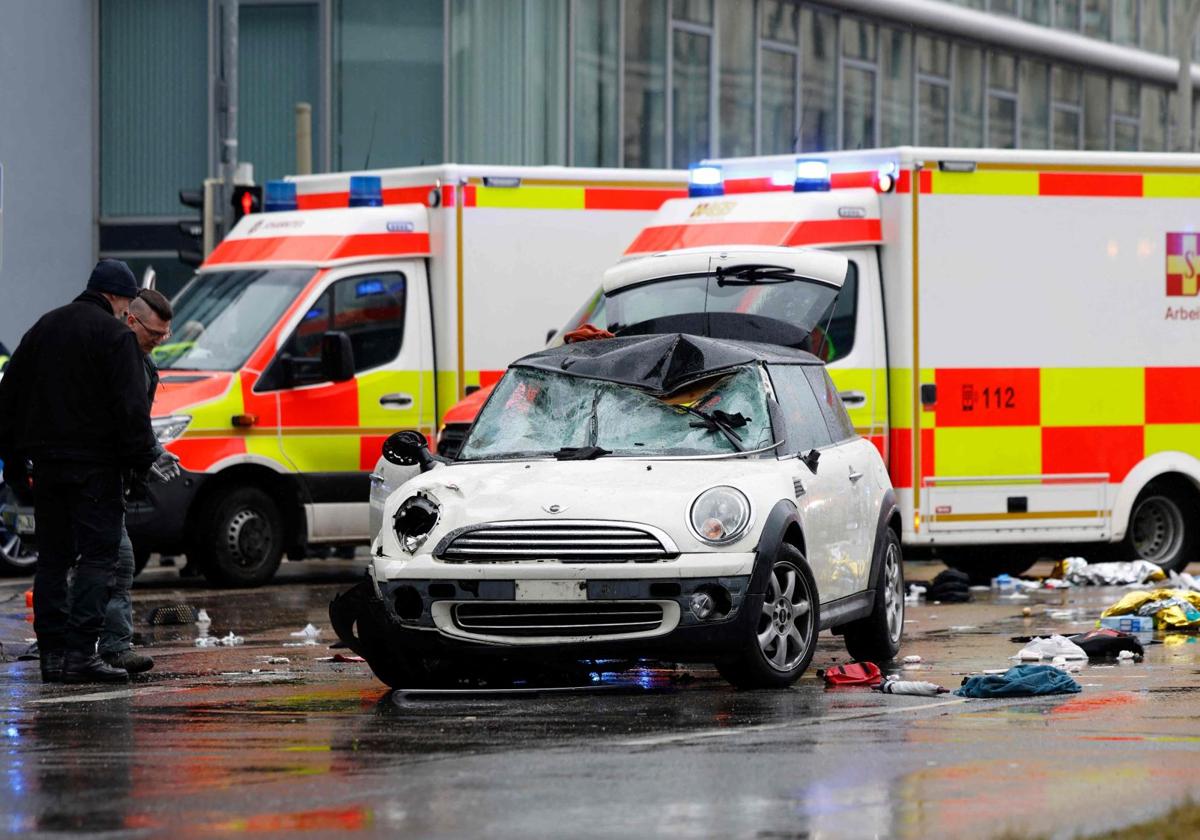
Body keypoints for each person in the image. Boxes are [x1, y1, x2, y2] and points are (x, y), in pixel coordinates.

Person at [0, 259, 166, 684]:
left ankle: (52, 657)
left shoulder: (42, 328)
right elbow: (131, 412)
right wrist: (139, 468)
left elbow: (7, 401)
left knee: (53, 560)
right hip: (95, 470)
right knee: (99, 559)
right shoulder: (114, 336)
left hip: (48, 469)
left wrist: (18, 472)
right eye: (126, 303)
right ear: (118, 298)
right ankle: (79, 654)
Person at [98, 289, 178, 674]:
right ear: (131, 320)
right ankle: (110, 647)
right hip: (94, 478)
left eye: (166, 335)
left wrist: (152, 453)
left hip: (109, 478)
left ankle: (84, 645)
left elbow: (135, 425)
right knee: (118, 561)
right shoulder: (114, 358)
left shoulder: (142, 364)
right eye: (155, 334)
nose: (159, 342)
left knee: (97, 564)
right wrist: (150, 454)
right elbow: (121, 422)